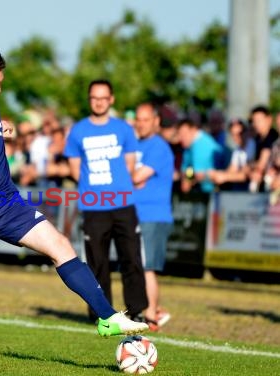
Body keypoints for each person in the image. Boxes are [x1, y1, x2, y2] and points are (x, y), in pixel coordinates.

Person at [0, 47, 148, 366]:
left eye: (0, 83)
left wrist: (3, 132)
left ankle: (107, 316)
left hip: (4, 202)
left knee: (60, 245)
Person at [63, 79, 149, 324]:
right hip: (94, 207)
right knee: (97, 263)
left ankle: (137, 309)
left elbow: (130, 164)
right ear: (89, 99)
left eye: (103, 97)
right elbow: (75, 169)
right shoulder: (78, 131)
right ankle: (102, 313)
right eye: (94, 97)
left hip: (123, 204)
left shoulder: (124, 129)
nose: (99, 102)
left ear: (111, 100)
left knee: (131, 259)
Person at [132, 103, 174, 331]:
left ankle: (151, 316)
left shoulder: (159, 147)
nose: (141, 123)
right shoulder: (136, 145)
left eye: (146, 119)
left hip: (153, 215)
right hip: (136, 213)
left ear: (156, 121)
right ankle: (150, 309)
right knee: (137, 266)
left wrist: (132, 177)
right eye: (138, 118)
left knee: (147, 267)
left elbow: (137, 176)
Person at [176, 118, 225, 193]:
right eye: (179, 134)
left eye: (184, 134)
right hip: (202, 190)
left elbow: (198, 174)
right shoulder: (188, 147)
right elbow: (186, 170)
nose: (181, 138)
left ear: (193, 130)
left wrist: (187, 177)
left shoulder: (202, 145)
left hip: (215, 191)